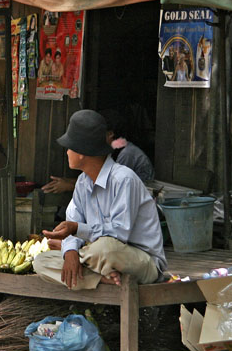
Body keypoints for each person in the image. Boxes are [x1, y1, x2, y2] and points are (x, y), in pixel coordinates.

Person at [33, 110, 165, 289]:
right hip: (96, 256)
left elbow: (119, 234)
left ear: (81, 152)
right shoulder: (82, 182)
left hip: (140, 261)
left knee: (105, 248)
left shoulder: (123, 179)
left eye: (70, 148)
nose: (67, 153)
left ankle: (92, 269)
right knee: (41, 261)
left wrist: (76, 232)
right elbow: (74, 219)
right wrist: (70, 251)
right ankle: (102, 278)